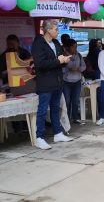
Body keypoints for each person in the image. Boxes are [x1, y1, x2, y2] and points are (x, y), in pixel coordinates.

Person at [31, 20, 73, 150]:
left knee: (56, 109)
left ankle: (58, 133)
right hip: (45, 82)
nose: (58, 31)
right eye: (56, 29)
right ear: (48, 30)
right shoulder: (38, 43)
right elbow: (40, 64)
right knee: (42, 110)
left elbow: (60, 60)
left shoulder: (55, 42)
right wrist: (57, 61)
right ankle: (40, 137)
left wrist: (65, 60)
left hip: (57, 81)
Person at [62, 38, 86, 125]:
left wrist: (79, 69)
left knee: (75, 100)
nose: (75, 49)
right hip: (66, 81)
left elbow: (84, 66)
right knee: (67, 101)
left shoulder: (78, 55)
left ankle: (75, 118)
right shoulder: (63, 56)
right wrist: (69, 69)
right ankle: (67, 118)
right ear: (68, 47)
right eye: (73, 47)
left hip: (77, 80)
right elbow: (61, 68)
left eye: (76, 47)